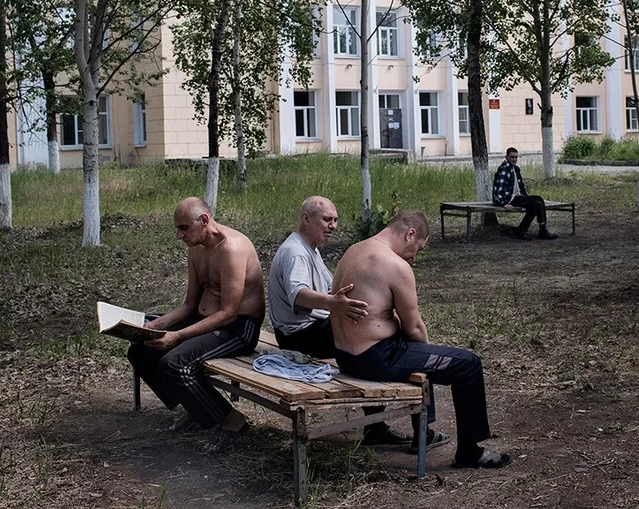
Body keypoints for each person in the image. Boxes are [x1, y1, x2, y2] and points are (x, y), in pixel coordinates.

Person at [330, 210, 511, 469]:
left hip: (345, 356)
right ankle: (469, 452)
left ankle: (424, 432)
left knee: (421, 354)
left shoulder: (354, 251)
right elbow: (414, 328)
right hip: (375, 358)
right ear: (410, 234)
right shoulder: (395, 265)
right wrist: (428, 353)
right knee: (468, 364)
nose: (415, 257)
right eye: (418, 248)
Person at [267, 195, 411, 445]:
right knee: (370, 336)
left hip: (312, 329)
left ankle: (375, 423)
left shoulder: (309, 249)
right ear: (306, 218)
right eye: (326, 220)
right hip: (298, 336)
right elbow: (299, 295)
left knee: (370, 327)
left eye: (335, 220)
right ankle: (377, 426)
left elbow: (331, 288)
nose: (332, 225)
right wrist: (335, 304)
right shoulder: (295, 253)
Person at [127, 197, 265, 450]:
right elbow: (190, 304)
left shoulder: (232, 248)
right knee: (140, 350)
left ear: (203, 220)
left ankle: (231, 421)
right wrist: (157, 325)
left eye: (183, 228)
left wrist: (178, 336)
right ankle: (194, 407)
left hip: (238, 328)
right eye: (177, 229)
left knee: (174, 364)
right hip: (206, 319)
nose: (179, 235)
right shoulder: (196, 248)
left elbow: (229, 313)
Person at [492, 147, 557, 240]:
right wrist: (503, 204)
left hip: (516, 197)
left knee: (536, 204)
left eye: (516, 157)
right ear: (506, 157)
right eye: (512, 157)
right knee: (538, 199)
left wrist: (526, 197)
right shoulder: (504, 169)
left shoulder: (516, 169)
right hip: (508, 199)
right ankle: (542, 231)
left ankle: (522, 231)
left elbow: (521, 186)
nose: (514, 159)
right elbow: (499, 189)